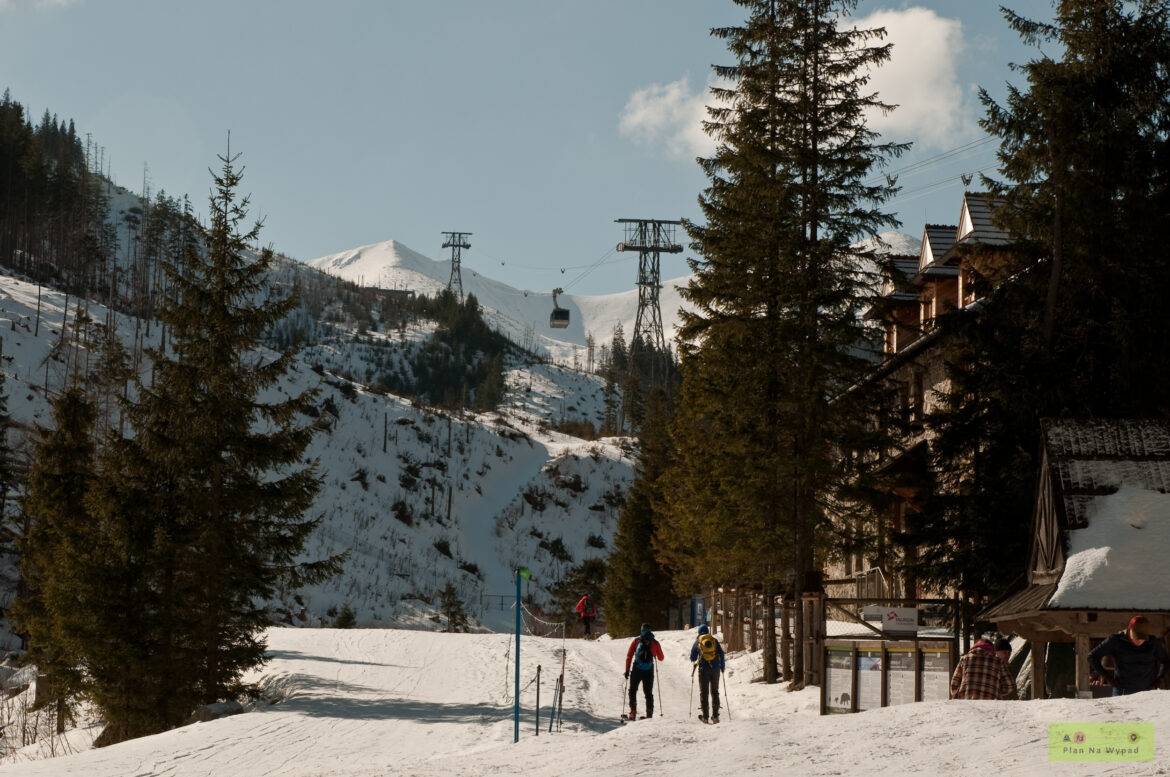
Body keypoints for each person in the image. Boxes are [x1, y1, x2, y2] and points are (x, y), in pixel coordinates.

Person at [1089, 615, 1169, 696]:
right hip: (1122, 691)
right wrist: (1108, 678)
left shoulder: (1153, 642)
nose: (1139, 641)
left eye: (1142, 638)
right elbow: (1092, 657)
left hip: (1147, 692)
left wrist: (1158, 680)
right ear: (1130, 629)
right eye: (1136, 637)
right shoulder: (1115, 641)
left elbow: (1166, 661)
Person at [950, 638, 1016, 700]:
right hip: (990, 702)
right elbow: (1010, 686)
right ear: (993, 650)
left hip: (967, 702)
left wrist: (960, 696)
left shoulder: (964, 659)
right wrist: (995, 691)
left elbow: (954, 684)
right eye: (1004, 652)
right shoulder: (998, 662)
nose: (1007, 655)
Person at [624, 623, 664, 720]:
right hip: (649, 670)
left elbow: (629, 656)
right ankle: (649, 714)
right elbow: (661, 658)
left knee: (633, 690)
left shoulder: (636, 641)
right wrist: (654, 653)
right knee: (648, 693)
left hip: (637, 669)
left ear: (641, 630)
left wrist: (627, 670)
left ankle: (633, 712)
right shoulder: (655, 642)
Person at [689, 624, 725, 723]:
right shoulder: (714, 640)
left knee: (704, 692)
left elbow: (692, 657)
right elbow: (721, 654)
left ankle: (705, 717)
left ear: (699, 632)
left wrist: (697, 658)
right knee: (715, 692)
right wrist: (722, 667)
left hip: (703, 669)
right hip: (715, 669)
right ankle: (715, 716)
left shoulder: (698, 641)